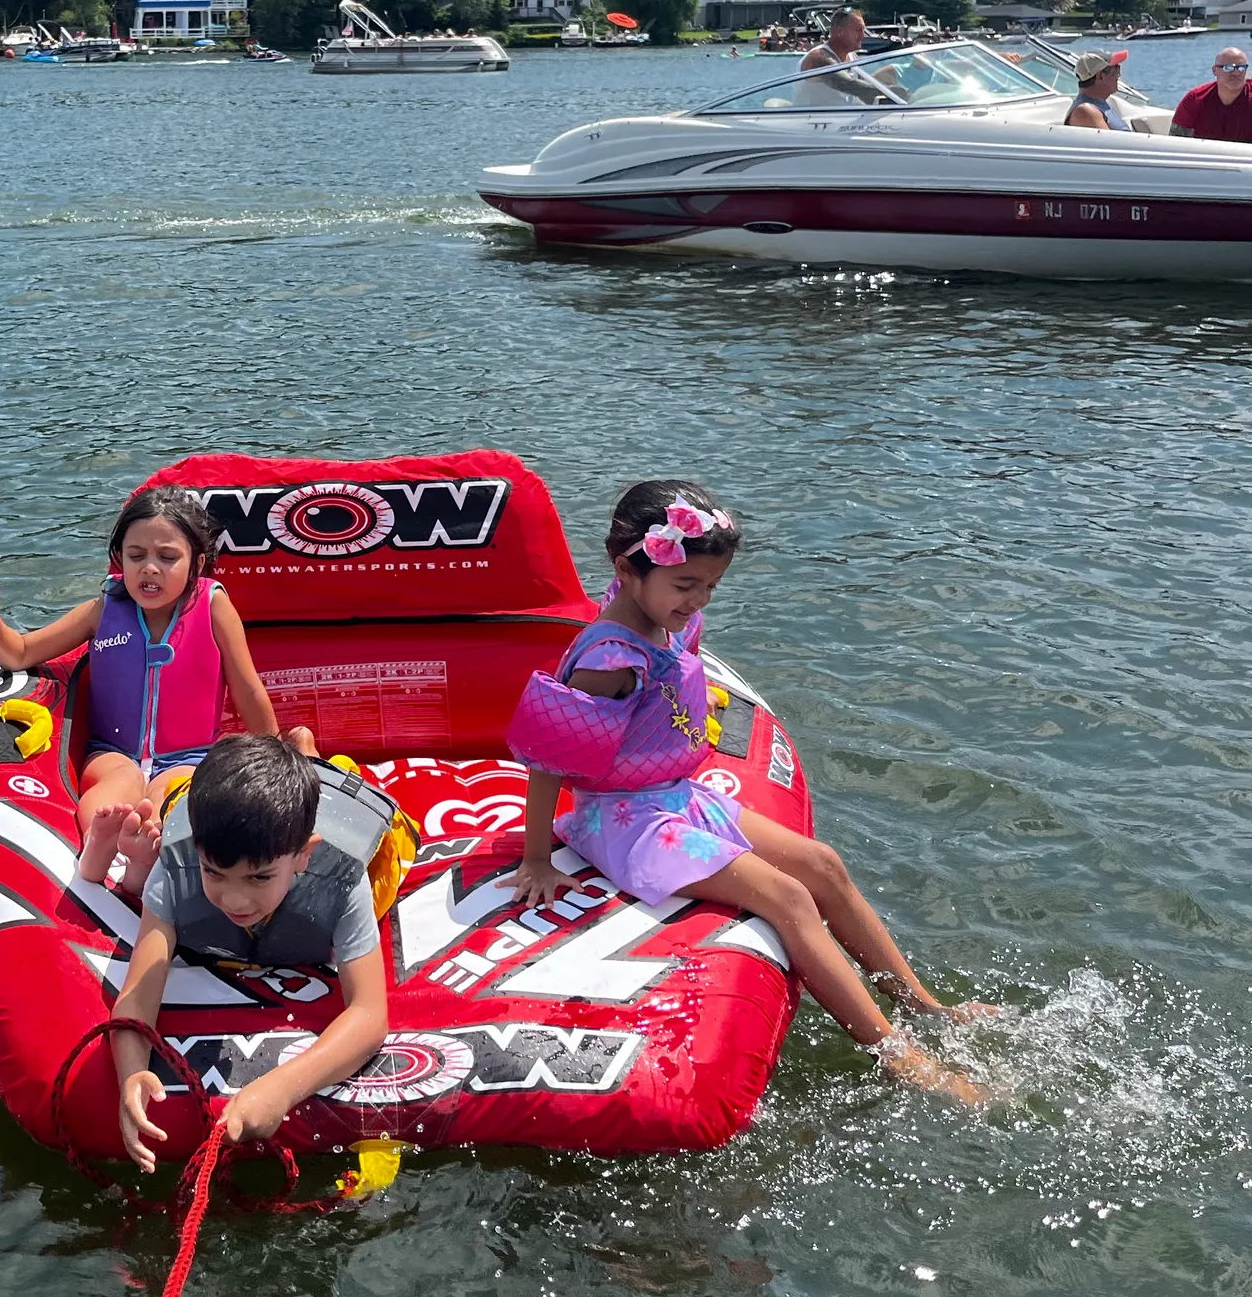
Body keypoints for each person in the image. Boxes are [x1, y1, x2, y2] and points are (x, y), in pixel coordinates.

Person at [509, 479, 994, 1104]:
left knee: (824, 865)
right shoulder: (609, 658)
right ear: (627, 569)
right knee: (789, 897)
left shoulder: (659, 615)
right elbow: (548, 760)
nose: (698, 600)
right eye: (686, 586)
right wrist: (536, 858)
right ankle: (899, 1056)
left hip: (675, 795)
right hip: (624, 821)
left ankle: (927, 1006)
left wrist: (681, 604)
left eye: (710, 586)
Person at [0, 487, 306, 884]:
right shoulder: (104, 609)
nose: (150, 568)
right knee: (117, 785)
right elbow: (19, 653)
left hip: (189, 758)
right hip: (113, 752)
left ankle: (142, 862)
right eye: (136, 556)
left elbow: (248, 690)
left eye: (167, 557)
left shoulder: (214, 607)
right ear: (120, 560)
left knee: (173, 796)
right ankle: (98, 840)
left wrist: (275, 763)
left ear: (197, 563)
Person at [112, 736, 389, 1170]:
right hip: (231, 818)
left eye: (258, 878)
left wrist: (281, 1089)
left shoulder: (342, 882)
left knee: (358, 809)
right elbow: (136, 995)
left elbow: (371, 1015)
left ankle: (307, 754)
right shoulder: (176, 869)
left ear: (303, 855)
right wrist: (130, 1074)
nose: (234, 899)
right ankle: (298, 754)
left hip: (334, 810)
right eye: (214, 873)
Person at [793, 8, 877, 106]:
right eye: (858, 30)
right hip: (811, 118)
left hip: (840, 117)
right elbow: (849, 85)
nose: (863, 36)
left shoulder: (852, 57)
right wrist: (893, 93)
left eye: (863, 30)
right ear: (839, 31)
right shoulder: (819, 57)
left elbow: (865, 93)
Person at [1171, 45, 1252, 143]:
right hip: (1205, 156)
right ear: (1215, 70)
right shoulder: (1196, 99)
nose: (1236, 73)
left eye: (1241, 68)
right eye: (1229, 68)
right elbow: (1176, 142)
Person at [1064, 49, 1135, 131]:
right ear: (1100, 76)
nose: (1118, 75)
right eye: (1116, 69)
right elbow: (1111, 143)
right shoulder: (1085, 111)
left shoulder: (1100, 105)